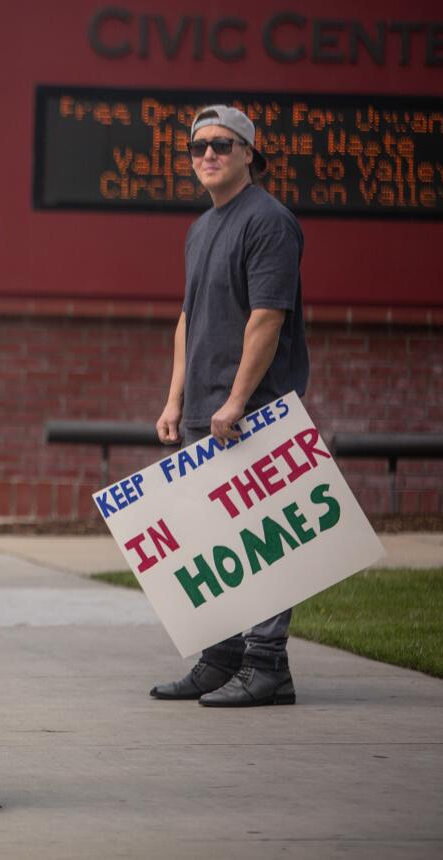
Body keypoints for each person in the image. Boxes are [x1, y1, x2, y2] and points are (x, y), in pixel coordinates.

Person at [152, 104, 309, 708]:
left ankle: (268, 664)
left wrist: (237, 400)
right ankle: (220, 658)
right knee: (211, 541)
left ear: (249, 153)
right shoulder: (201, 227)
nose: (208, 155)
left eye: (221, 144)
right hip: (204, 413)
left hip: (255, 413)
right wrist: (175, 399)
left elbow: (267, 319)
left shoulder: (269, 221)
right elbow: (188, 320)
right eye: (197, 148)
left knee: (263, 537)